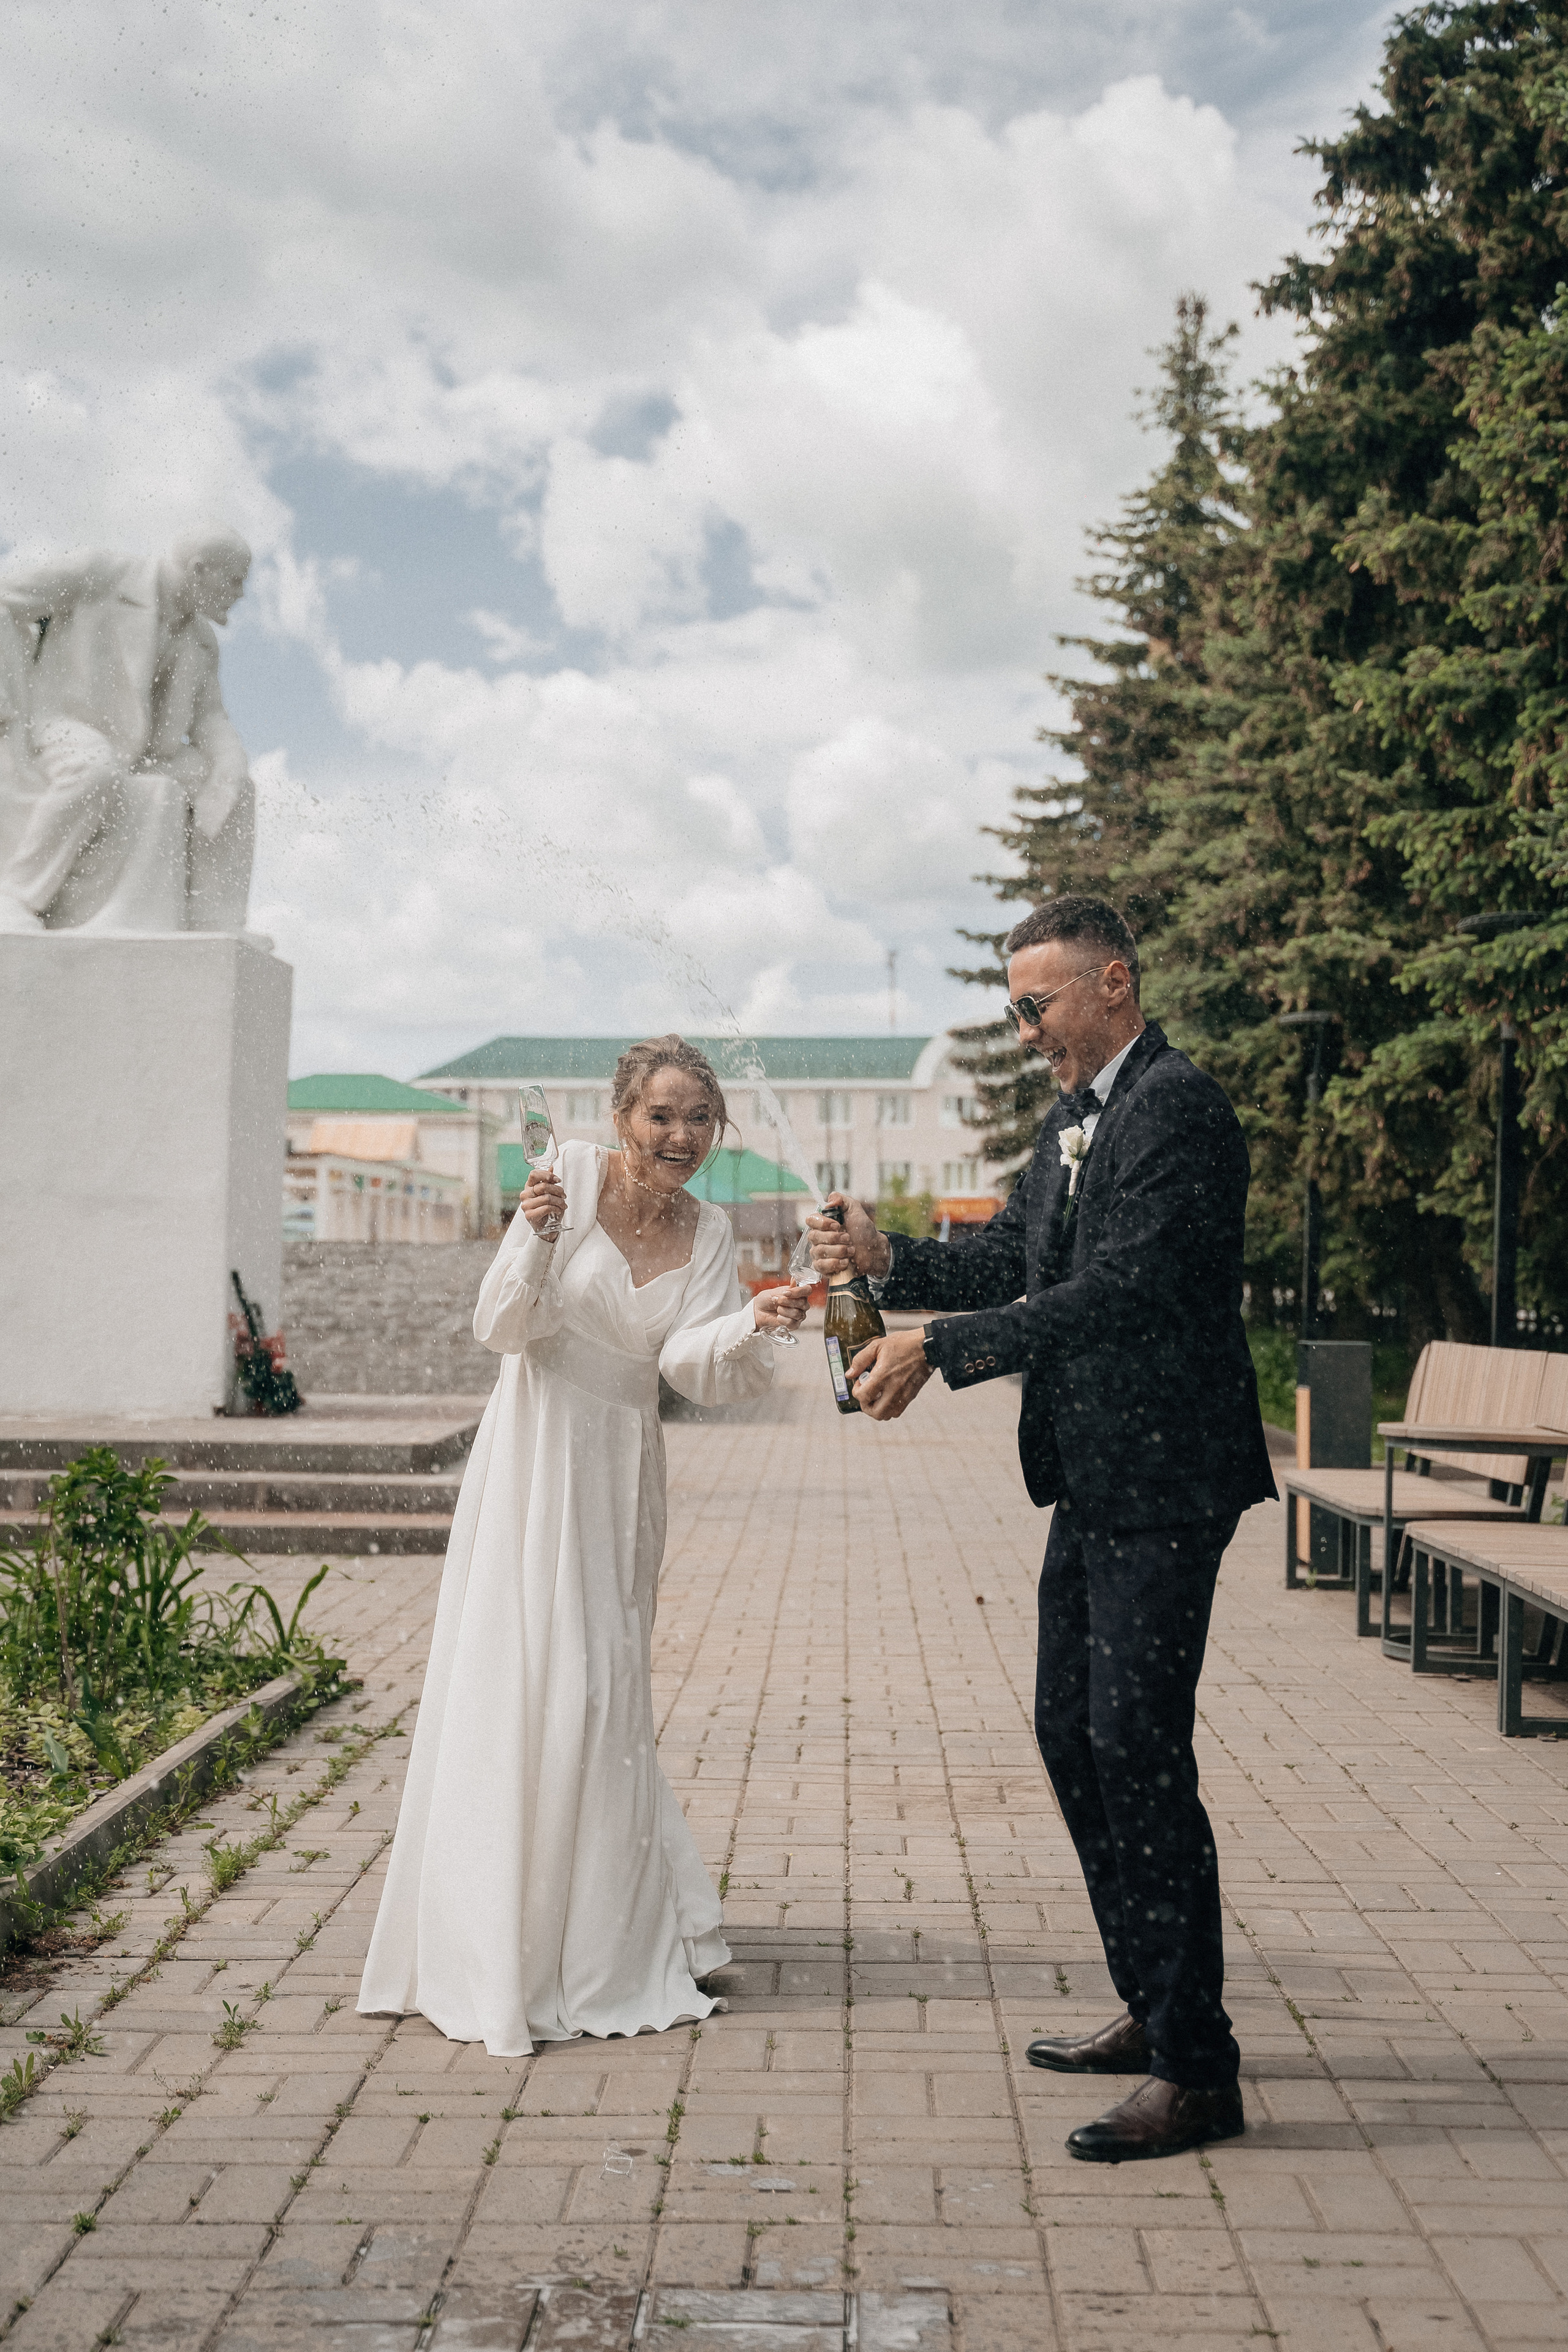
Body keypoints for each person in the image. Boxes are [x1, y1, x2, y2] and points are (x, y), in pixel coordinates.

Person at [808, 896, 1276, 2163]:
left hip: (1168, 1478)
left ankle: (1197, 2071)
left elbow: (1123, 1291)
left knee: (1135, 1746)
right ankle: (1150, 2000)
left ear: (1112, 983)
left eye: (1037, 1005)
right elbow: (1015, 1255)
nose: (1023, 1031)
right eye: (1012, 1009)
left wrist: (940, 1355)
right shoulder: (1073, 1117)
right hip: (1094, 1475)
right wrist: (886, 1254)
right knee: (1074, 1733)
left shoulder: (1172, 1108)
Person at [359, 1036, 811, 2057]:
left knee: (603, 1686)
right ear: (621, 1118)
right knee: (528, 1675)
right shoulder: (561, 1174)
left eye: (700, 1118)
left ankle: (604, 1925)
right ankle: (498, 1936)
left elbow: (690, 1364)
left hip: (620, 1472)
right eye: (661, 1115)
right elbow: (501, 1325)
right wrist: (528, 1237)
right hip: (533, 1456)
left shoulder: (711, 1226)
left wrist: (756, 1321)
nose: (681, 1136)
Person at [0, 529, 255, 933]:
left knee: (231, 786)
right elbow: (5, 598)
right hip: (64, 725)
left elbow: (210, 718)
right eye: (235, 579)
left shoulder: (202, 641)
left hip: (141, 754)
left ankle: (215, 925)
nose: (240, 593)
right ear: (200, 570)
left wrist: (229, 767)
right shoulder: (100, 574)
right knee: (94, 769)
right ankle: (16, 896)